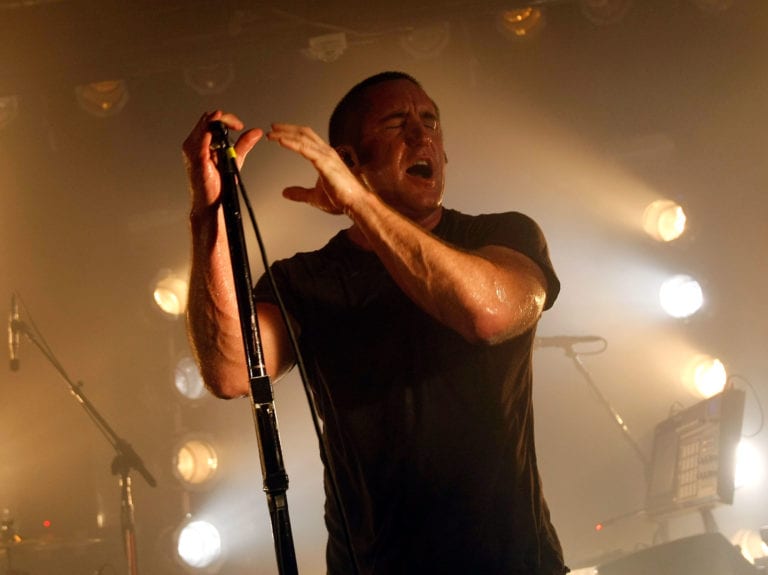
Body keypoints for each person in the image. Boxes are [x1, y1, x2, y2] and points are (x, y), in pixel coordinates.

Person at [183, 71, 567, 575]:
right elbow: (230, 370)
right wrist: (208, 209)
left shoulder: (502, 235)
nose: (422, 135)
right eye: (396, 123)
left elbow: (487, 314)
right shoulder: (306, 279)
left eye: (430, 121)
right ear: (348, 160)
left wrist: (360, 202)